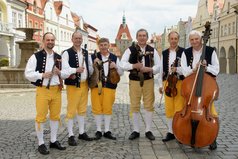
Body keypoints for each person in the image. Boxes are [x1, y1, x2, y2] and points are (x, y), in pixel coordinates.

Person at [25, 32, 66, 155]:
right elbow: (27, 74)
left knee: (55, 116)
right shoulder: (35, 56)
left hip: (57, 90)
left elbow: (66, 74)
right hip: (43, 90)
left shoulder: (59, 57)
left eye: (52, 40)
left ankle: (53, 141)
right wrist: (41, 75)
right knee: (41, 117)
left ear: (54, 41)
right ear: (43, 41)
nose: (50, 42)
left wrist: (59, 72)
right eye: (48, 40)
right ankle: (41, 143)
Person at [180, 30, 219, 150]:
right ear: (189, 41)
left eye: (196, 39)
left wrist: (206, 67)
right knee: (188, 110)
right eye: (192, 39)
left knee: (211, 112)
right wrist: (194, 68)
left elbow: (216, 69)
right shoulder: (185, 52)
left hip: (206, 86)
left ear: (201, 39)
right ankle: (186, 135)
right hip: (190, 86)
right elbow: (184, 71)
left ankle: (212, 137)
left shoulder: (211, 51)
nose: (194, 41)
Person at [120, 28, 162, 140]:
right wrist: (133, 66)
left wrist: (150, 69)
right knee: (134, 105)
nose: (142, 37)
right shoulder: (130, 50)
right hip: (134, 81)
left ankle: (148, 130)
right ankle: (136, 130)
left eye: (144, 35)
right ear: (136, 37)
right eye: (140, 35)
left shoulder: (152, 50)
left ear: (147, 37)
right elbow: (122, 64)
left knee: (149, 105)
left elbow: (159, 66)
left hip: (148, 80)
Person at [61, 31, 93, 146]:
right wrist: (75, 70)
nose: (78, 40)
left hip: (84, 85)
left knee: (82, 110)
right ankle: (70, 135)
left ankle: (81, 132)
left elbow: (89, 66)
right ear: (72, 39)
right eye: (76, 38)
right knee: (71, 110)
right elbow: (64, 70)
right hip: (73, 86)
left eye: (80, 38)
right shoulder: (66, 53)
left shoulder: (85, 52)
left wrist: (91, 77)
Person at [91, 38, 123, 140]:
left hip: (110, 86)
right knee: (97, 107)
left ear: (109, 45)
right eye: (101, 45)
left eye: (105, 45)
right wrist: (93, 64)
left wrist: (116, 67)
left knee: (108, 107)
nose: (103, 47)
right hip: (97, 86)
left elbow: (121, 72)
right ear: (98, 46)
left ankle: (107, 130)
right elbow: (88, 72)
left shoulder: (114, 57)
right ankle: (98, 130)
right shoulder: (93, 57)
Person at [159, 31, 185, 142]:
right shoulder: (164, 53)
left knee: (179, 108)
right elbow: (161, 70)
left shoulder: (184, 52)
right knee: (169, 108)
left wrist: (177, 69)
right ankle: (170, 132)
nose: (173, 40)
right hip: (168, 83)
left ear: (178, 39)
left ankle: (178, 131)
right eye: (171, 38)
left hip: (179, 82)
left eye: (175, 38)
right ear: (168, 40)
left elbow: (186, 69)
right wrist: (160, 84)